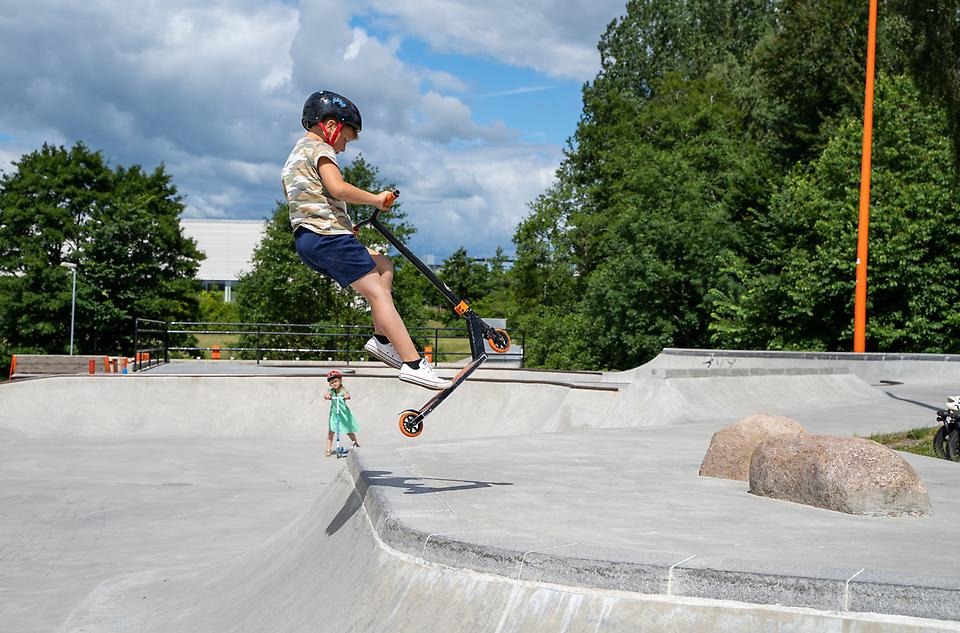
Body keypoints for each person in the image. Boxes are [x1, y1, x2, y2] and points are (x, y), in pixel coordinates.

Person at [282, 90, 450, 390]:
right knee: (378, 293)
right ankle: (413, 363)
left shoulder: (295, 155)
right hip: (327, 236)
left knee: (383, 265)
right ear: (330, 126)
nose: (344, 147)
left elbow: (309, 200)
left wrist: (345, 225)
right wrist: (375, 200)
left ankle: (382, 339)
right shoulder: (321, 149)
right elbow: (337, 188)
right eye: (346, 139)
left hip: (309, 239)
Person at [323, 370, 359, 456]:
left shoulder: (343, 391)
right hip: (334, 414)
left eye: (335, 381)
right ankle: (328, 448)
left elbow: (347, 395)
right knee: (331, 431)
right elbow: (326, 394)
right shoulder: (331, 391)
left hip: (343, 413)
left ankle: (356, 443)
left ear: (340, 381)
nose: (334, 384)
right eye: (332, 383)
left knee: (348, 430)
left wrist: (346, 396)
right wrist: (327, 396)